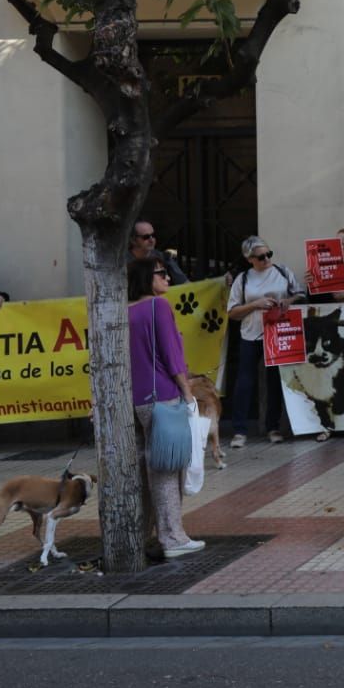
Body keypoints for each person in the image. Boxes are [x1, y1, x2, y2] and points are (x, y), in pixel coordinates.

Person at [127, 256, 204, 558]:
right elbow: (171, 353)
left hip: (133, 399)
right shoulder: (158, 307)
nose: (168, 278)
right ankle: (172, 537)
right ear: (148, 277)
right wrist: (187, 392)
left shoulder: (124, 311)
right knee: (168, 469)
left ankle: (144, 534)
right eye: (163, 273)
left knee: (143, 468)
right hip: (163, 396)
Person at [225, 235, 304, 447]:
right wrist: (255, 304)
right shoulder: (243, 279)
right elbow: (232, 312)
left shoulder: (282, 272)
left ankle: (273, 427)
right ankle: (239, 430)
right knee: (244, 381)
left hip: (277, 333)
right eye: (261, 257)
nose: (267, 259)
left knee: (274, 381)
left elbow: (300, 294)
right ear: (249, 258)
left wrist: (288, 301)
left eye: (269, 254)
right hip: (250, 334)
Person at [131, 219, 188, 285]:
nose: (151, 240)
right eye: (146, 237)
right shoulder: (120, 262)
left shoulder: (164, 258)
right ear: (133, 240)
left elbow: (186, 284)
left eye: (153, 235)